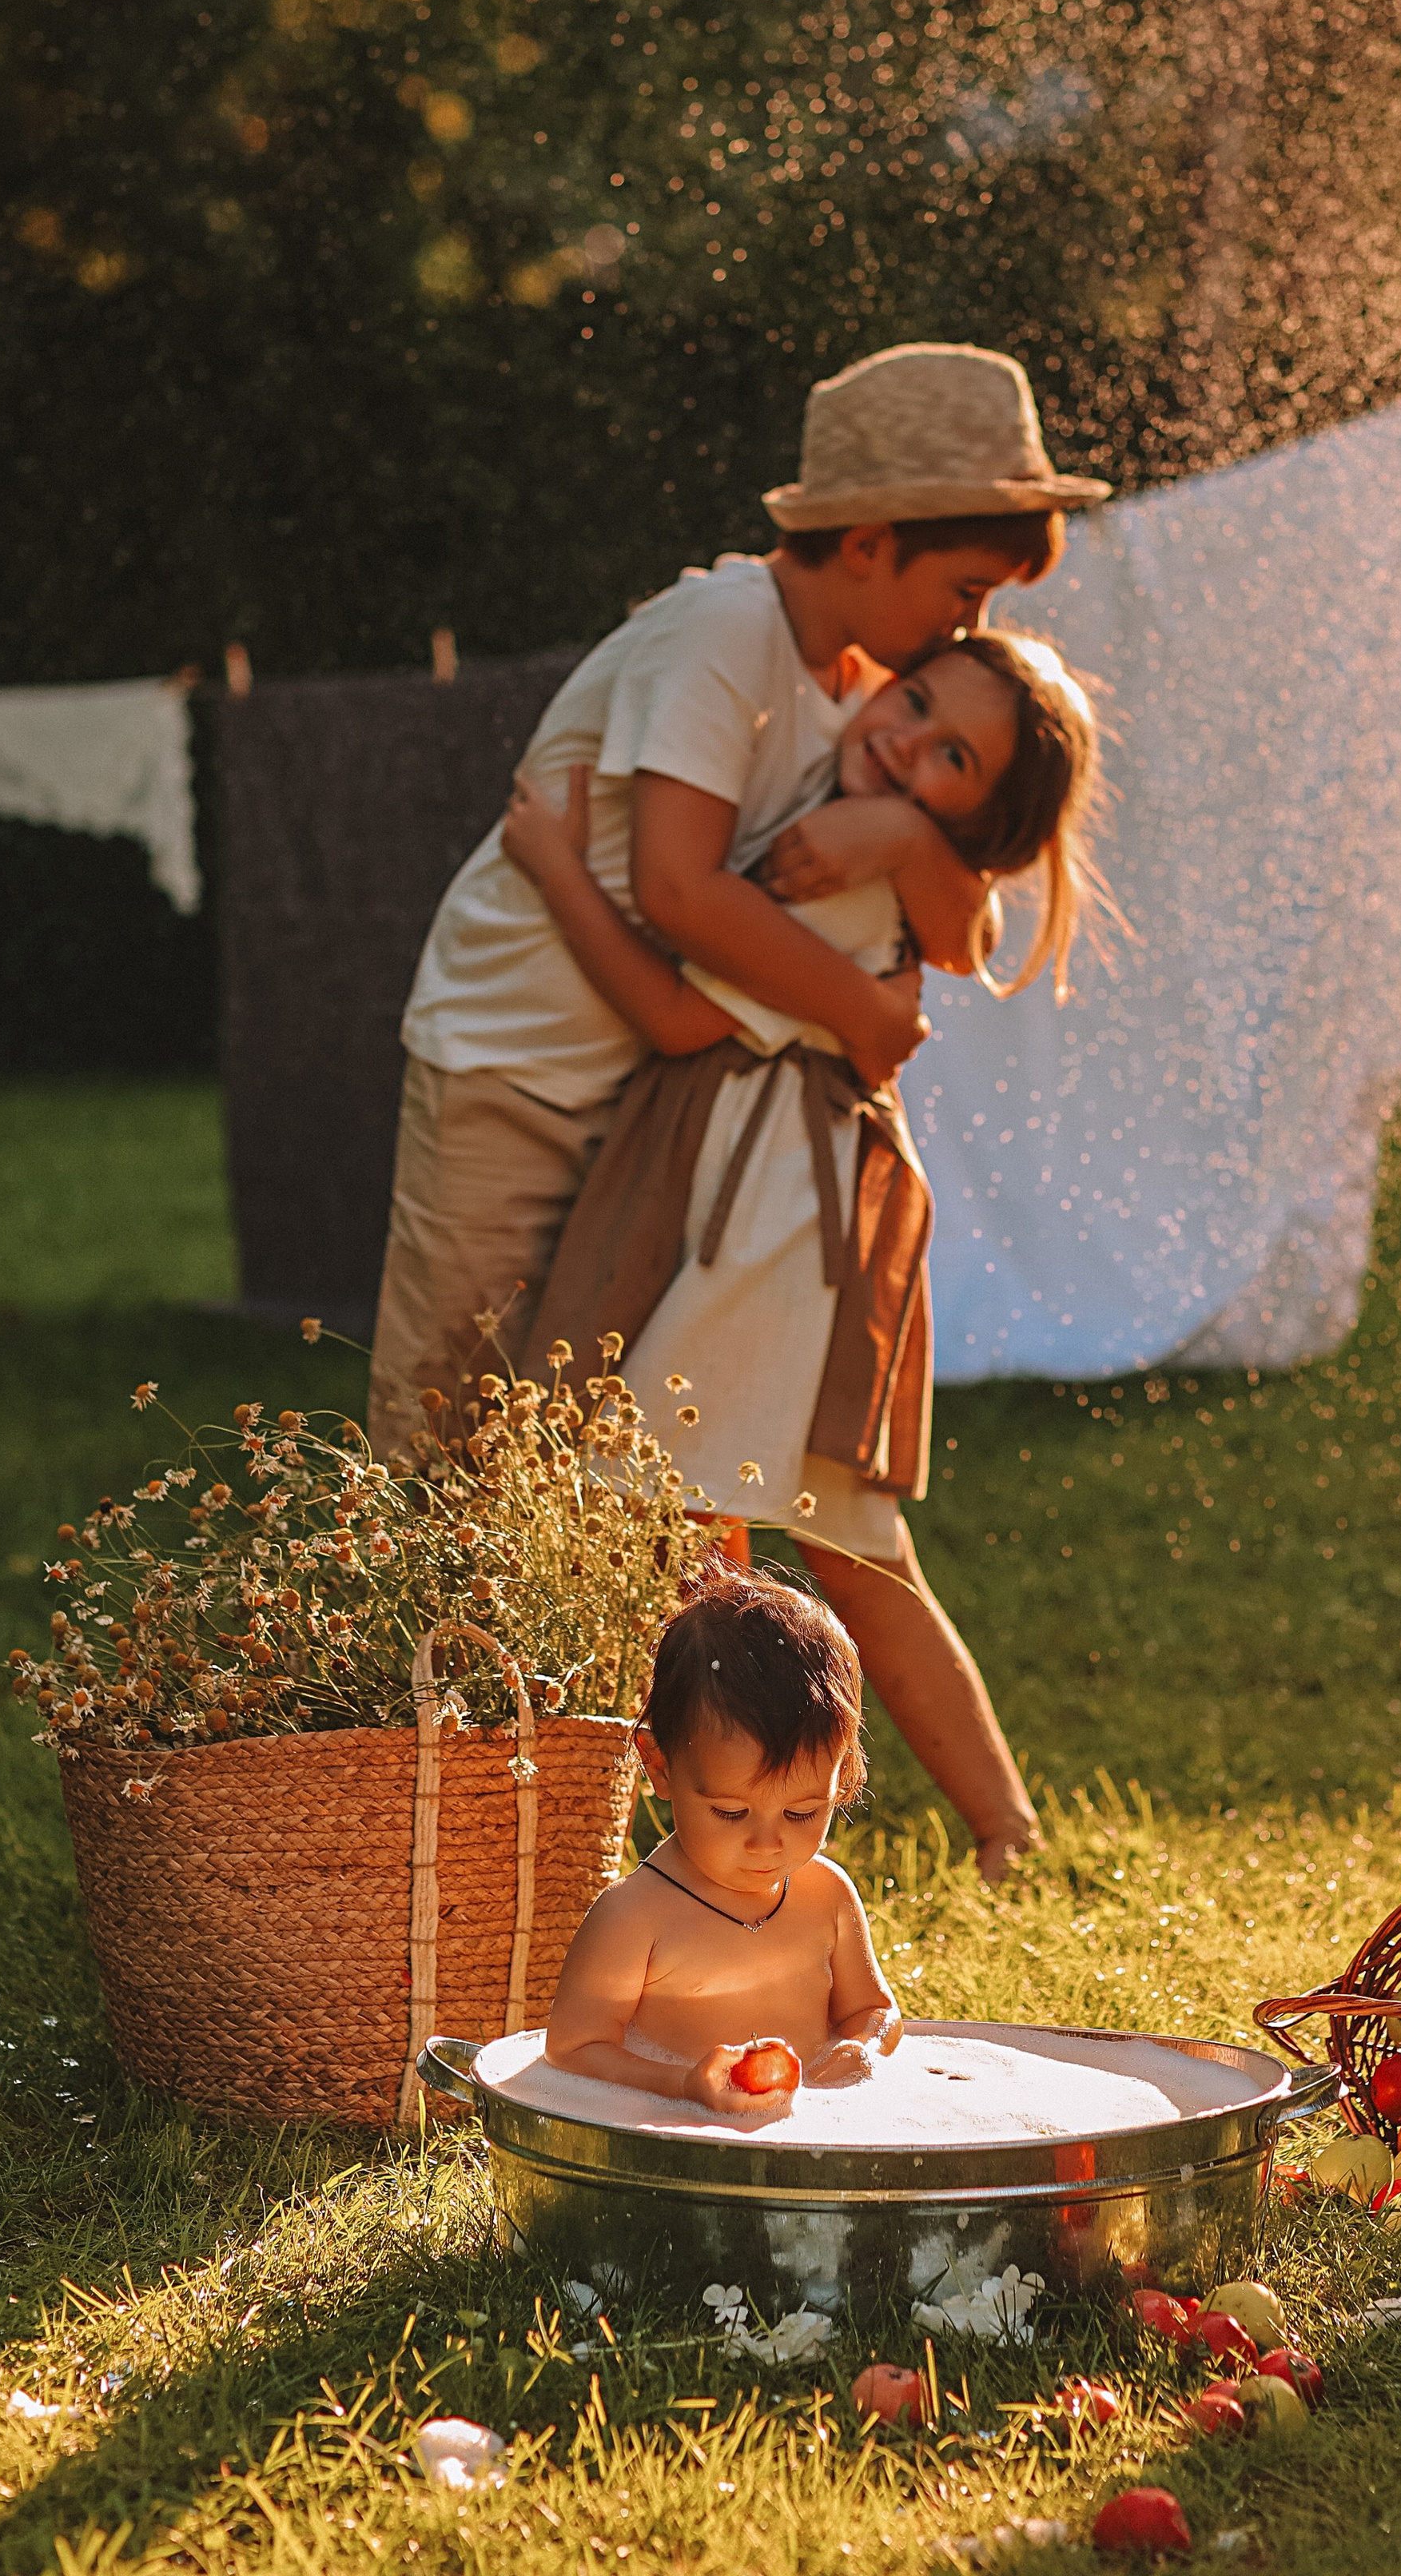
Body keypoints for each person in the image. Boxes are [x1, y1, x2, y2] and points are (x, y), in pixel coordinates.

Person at [366, 339, 1108, 1458]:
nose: (972, 629)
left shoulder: (871, 697)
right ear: (867, 545)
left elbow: (968, 931)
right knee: (447, 1419)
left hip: (642, 1096)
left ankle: (546, 1639)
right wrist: (862, 1016)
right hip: (512, 1065)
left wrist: (905, 833)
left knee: (561, 1448)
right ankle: (405, 1638)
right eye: (966, 591)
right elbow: (678, 888)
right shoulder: (727, 633)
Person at [506, 627, 1101, 1880]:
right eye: (920, 698)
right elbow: (959, 928)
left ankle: (718, 1826)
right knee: (820, 1544)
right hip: (769, 1209)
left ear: (976, 817)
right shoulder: (840, 818)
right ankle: (983, 1829)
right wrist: (900, 833)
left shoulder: (830, 855)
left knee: (704, 1532)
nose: (905, 739)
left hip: (769, 1233)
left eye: (951, 758)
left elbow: (675, 1009)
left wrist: (555, 866)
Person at [544, 1568, 900, 2116]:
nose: (767, 1843)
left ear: (843, 1773)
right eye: (731, 1812)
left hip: (815, 2129)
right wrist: (684, 2084)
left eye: (803, 1811)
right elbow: (573, 2049)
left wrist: (859, 2048)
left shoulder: (826, 1895)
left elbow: (875, 2009)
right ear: (659, 1764)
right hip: (674, 2132)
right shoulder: (636, 1916)